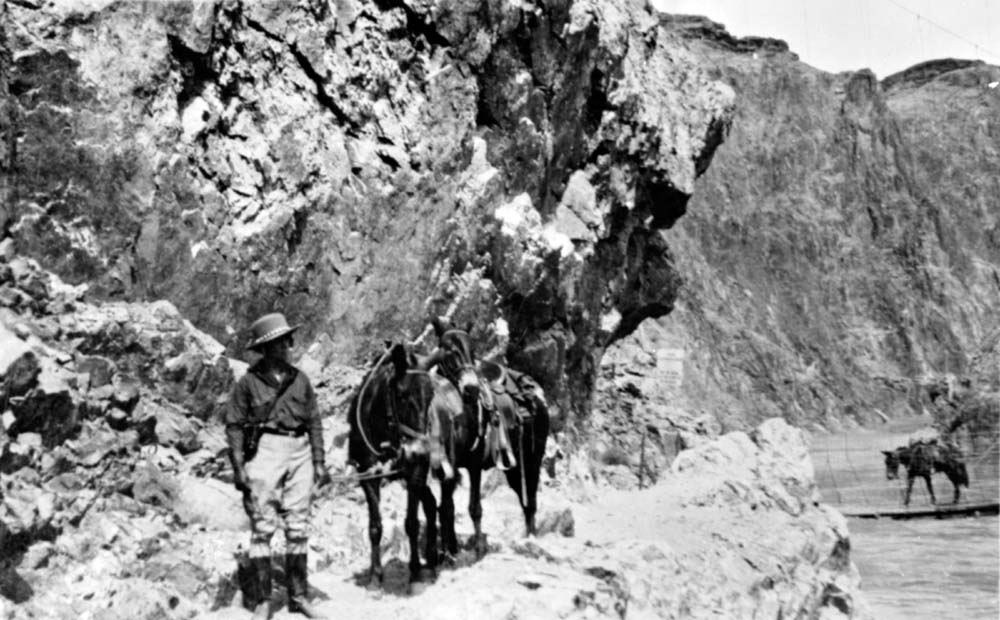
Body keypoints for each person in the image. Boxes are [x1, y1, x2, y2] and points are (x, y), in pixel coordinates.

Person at [225, 312, 331, 619]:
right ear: (267, 348)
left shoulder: (301, 380)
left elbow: (314, 421)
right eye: (281, 342)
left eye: (288, 341)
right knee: (263, 525)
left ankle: (299, 595)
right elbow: (233, 425)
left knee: (298, 525)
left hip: (300, 452)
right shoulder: (248, 384)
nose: (288, 346)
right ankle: (263, 600)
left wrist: (319, 461)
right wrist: (239, 466)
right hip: (266, 451)